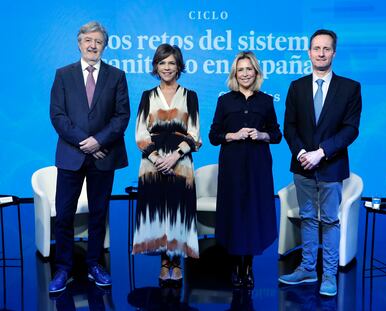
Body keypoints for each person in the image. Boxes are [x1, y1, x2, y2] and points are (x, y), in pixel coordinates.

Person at [279, 29, 362, 296]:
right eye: (316, 48)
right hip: (302, 165)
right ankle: (306, 269)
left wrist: (321, 152)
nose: (321, 53)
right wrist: (302, 151)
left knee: (329, 219)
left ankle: (328, 275)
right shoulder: (297, 86)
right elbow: (289, 126)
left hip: (331, 165)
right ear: (309, 52)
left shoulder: (350, 88)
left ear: (334, 53)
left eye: (326, 49)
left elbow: (350, 130)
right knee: (307, 218)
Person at [49, 21, 130, 293]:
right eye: (88, 41)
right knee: (64, 215)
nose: (93, 45)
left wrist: (99, 141)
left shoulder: (117, 76)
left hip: (104, 156)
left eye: (98, 41)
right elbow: (58, 115)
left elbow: (122, 117)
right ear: (79, 43)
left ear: (104, 46)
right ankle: (63, 268)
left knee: (98, 214)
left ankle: (95, 264)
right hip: (71, 155)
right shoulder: (63, 74)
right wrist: (85, 142)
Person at [209, 51, 282, 289]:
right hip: (231, 166)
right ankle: (235, 265)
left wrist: (262, 135)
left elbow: (277, 134)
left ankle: (247, 267)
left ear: (256, 72)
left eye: (249, 69)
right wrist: (232, 135)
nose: (245, 74)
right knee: (234, 213)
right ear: (235, 74)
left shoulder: (266, 101)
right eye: (240, 70)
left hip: (258, 165)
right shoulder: (225, 101)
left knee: (252, 213)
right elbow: (213, 136)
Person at [133, 44, 201, 288]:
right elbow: (140, 133)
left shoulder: (190, 96)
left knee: (177, 211)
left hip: (181, 163)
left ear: (179, 66)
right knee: (159, 211)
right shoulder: (146, 96)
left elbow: (194, 135)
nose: (167, 67)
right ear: (156, 66)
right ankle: (164, 263)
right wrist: (156, 158)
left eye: (172, 63)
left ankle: (176, 262)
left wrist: (174, 156)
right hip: (152, 164)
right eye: (162, 63)